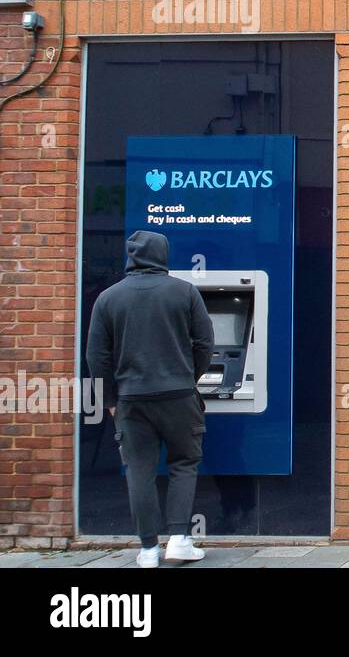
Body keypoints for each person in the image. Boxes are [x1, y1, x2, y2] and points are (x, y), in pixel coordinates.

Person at [86, 231, 214, 567]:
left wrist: (111, 400)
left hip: (131, 398)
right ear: (162, 255)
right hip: (178, 396)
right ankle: (179, 540)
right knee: (184, 463)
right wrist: (190, 378)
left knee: (139, 470)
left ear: (131, 257)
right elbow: (205, 343)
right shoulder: (184, 291)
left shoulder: (108, 299)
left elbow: (96, 357)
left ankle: (147, 550)